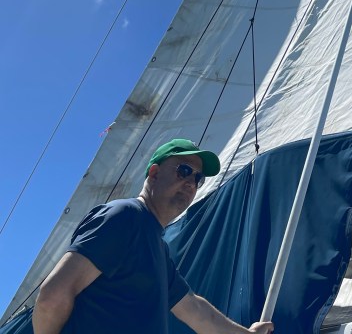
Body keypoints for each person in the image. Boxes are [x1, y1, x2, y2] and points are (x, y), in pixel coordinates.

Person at [32, 138, 275, 334]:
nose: (191, 183)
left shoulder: (158, 249)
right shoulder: (124, 216)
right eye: (184, 171)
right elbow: (51, 297)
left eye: (198, 178)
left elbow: (195, 310)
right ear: (155, 173)